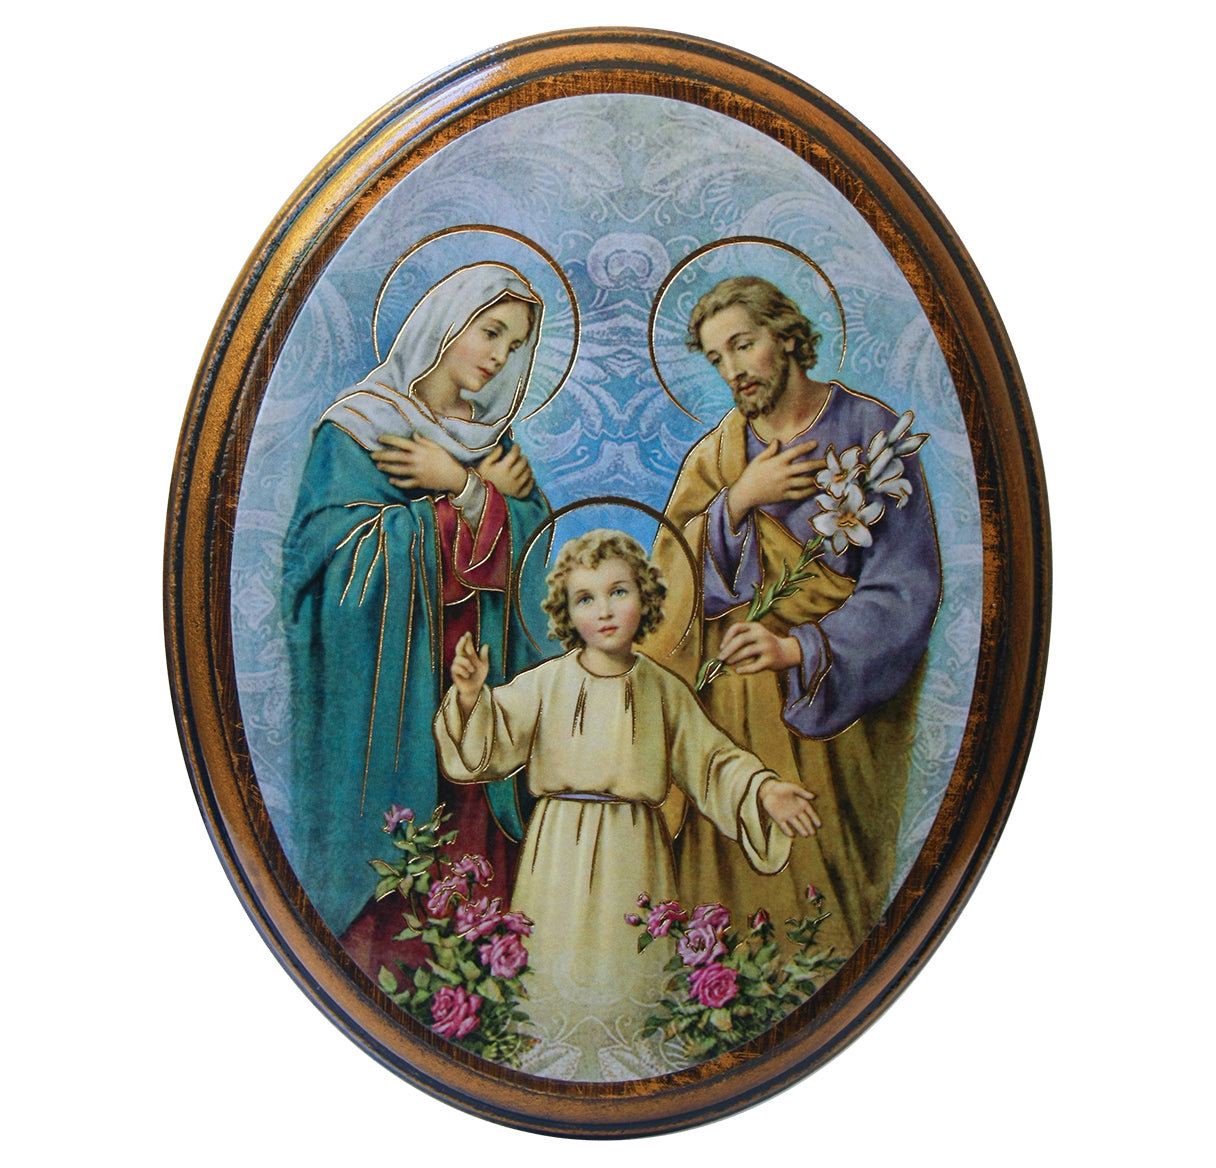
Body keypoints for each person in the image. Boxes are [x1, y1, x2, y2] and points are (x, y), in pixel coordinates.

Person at [432, 529, 817, 1080]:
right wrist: (472, 695)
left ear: (646, 596)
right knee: (551, 972)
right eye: (585, 598)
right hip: (557, 852)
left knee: (633, 974)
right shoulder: (545, 683)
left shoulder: (664, 690)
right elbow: (487, 745)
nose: (605, 611)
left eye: (619, 592)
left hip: (635, 850)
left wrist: (762, 789)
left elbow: (711, 761)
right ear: (566, 612)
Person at [652, 276, 941, 958]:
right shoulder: (720, 455)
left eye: (742, 345)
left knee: (822, 915)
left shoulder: (870, 436)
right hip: (729, 721)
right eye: (717, 358)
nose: (732, 370)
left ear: (785, 336)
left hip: (826, 719)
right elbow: (664, 581)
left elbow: (905, 591)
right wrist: (736, 503)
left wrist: (797, 650)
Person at [281, 263, 550, 977]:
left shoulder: (494, 444)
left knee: (473, 851)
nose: (498, 357)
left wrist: (465, 485)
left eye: (514, 345)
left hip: (478, 682)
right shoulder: (357, 429)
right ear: (444, 323)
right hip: (393, 690)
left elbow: (532, 555)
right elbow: (326, 570)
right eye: (490, 331)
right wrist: (464, 498)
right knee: (404, 882)